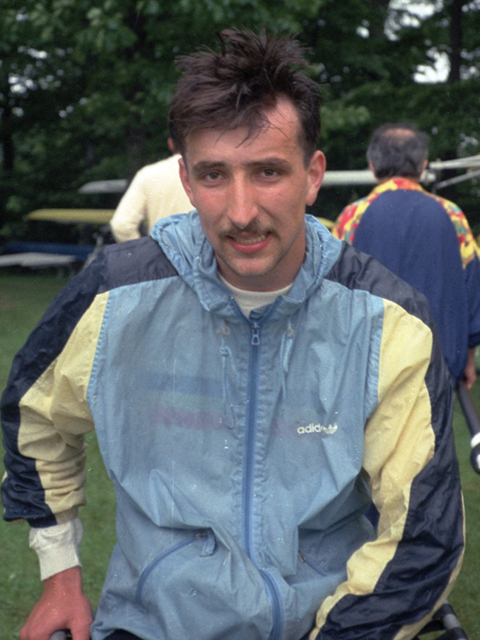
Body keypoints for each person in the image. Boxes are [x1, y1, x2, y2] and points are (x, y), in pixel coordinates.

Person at [1, 30, 464, 640]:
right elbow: (34, 419)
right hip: (150, 624)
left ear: (312, 175)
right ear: (187, 181)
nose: (241, 211)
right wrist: (59, 571)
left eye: (268, 171)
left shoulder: (389, 321)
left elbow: (422, 536)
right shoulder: (112, 298)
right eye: (214, 175)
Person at [332, 123, 480, 389]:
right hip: (437, 370)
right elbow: (472, 287)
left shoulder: (351, 217)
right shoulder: (451, 214)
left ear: (372, 166)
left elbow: (331, 289)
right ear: (423, 166)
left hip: (372, 372)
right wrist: (468, 357)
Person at [109, 137, 192, 242]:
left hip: (161, 249)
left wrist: (142, 251)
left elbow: (121, 225)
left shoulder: (148, 174)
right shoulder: (206, 173)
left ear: (170, 143)